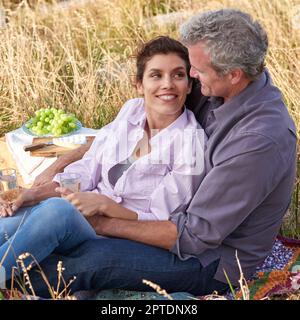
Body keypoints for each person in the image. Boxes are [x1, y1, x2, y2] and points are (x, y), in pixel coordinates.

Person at [4, 9, 298, 298]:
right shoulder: (223, 77)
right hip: (163, 221)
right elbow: (120, 134)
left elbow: (193, 237)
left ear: (234, 74)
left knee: (86, 261)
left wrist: (100, 220)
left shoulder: (258, 141)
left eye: (195, 71)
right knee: (37, 220)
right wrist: (59, 166)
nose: (191, 77)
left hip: (211, 260)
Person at [0, 36, 205, 280]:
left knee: (57, 211)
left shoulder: (192, 142)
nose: (168, 84)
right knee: (11, 218)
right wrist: (31, 194)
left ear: (189, 85)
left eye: (178, 75)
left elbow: (162, 218)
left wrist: (106, 206)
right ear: (139, 84)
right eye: (156, 75)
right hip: (80, 214)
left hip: (120, 236)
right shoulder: (132, 110)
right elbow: (86, 171)